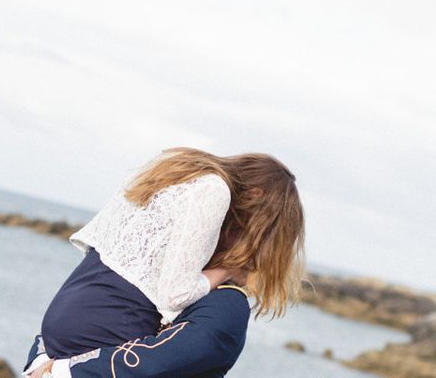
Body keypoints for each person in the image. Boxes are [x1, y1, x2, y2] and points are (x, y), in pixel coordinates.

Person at [25, 146, 306, 373]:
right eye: (261, 230)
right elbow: (176, 295)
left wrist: (50, 363)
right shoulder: (215, 190)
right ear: (255, 195)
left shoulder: (178, 177)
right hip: (96, 342)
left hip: (59, 331)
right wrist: (226, 270)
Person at [23, 283, 250, 378]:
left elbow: (154, 360)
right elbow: (83, 310)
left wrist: (62, 370)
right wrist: (43, 358)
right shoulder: (163, 280)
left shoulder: (227, 304)